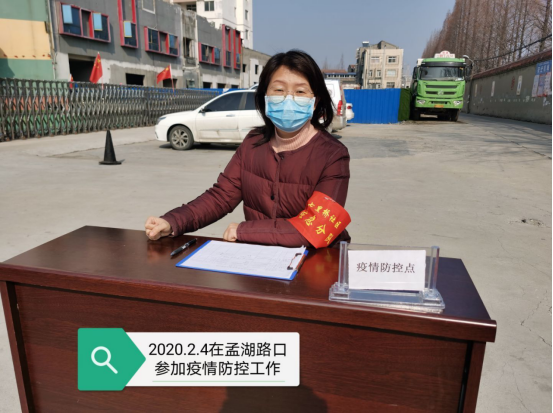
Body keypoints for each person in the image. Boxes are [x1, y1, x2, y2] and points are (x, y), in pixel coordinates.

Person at [145, 50, 350, 248]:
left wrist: (244, 231)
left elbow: (318, 225)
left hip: (314, 261)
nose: (289, 99)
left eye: (300, 92)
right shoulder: (253, 143)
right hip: (259, 257)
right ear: (265, 96)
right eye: (279, 90)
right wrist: (173, 221)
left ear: (315, 101)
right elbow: (221, 197)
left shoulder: (333, 155)